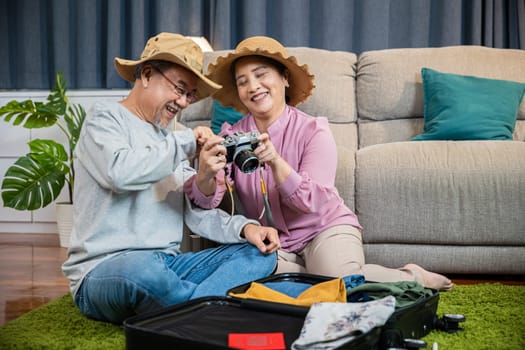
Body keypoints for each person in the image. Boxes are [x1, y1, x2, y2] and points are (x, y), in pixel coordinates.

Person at [184, 36, 453, 291]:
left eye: (261, 74)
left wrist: (277, 162)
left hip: (324, 229)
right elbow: (208, 201)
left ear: (284, 78)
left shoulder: (314, 130)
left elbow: (310, 202)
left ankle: (411, 277)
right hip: (276, 242)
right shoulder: (232, 137)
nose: (253, 86)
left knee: (339, 283)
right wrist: (205, 172)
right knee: (250, 279)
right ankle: (310, 276)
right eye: (242, 81)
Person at [62, 33, 280, 324]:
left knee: (260, 255)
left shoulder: (171, 142)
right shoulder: (104, 119)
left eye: (189, 95)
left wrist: (247, 229)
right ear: (148, 74)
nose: (183, 102)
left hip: (169, 266)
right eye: (179, 88)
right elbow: (120, 172)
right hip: (105, 270)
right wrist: (185, 143)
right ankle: (208, 310)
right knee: (143, 273)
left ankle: (188, 311)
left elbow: (195, 213)